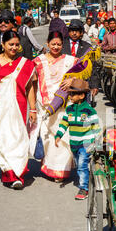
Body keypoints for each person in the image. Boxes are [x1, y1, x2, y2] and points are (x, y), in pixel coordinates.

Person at [0, 30, 37, 189]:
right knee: (3, 138)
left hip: (19, 106)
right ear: (3, 45)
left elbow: (30, 88)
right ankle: (10, 174)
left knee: (19, 139)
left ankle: (18, 172)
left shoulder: (26, 63)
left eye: (17, 45)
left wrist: (33, 109)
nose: (14, 48)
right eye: (10, 44)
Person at [30, 31, 79, 182]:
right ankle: (51, 167)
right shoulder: (38, 61)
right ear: (47, 44)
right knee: (48, 139)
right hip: (44, 106)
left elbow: (82, 78)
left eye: (59, 44)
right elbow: (32, 85)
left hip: (64, 105)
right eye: (53, 44)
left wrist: (73, 80)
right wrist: (32, 107)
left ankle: (62, 170)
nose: (56, 47)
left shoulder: (71, 61)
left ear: (62, 45)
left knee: (64, 136)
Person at [55, 82, 100, 200]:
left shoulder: (89, 111)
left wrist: (97, 142)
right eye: (70, 94)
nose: (70, 96)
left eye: (72, 94)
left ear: (81, 96)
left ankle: (84, 188)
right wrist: (58, 135)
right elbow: (64, 123)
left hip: (85, 144)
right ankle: (87, 178)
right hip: (74, 144)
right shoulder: (69, 109)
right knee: (79, 164)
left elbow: (95, 127)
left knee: (81, 166)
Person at [0, 9, 33, 83]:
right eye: (0, 21)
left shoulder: (23, 41)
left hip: (16, 83)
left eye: (6, 21)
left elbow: (29, 62)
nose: (2, 23)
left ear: (13, 24)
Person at [62, 19, 100, 101]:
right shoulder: (61, 45)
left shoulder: (87, 47)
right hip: (64, 85)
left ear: (81, 33)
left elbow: (93, 67)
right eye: (72, 30)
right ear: (68, 32)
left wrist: (94, 85)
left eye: (77, 31)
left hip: (81, 85)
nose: (74, 33)